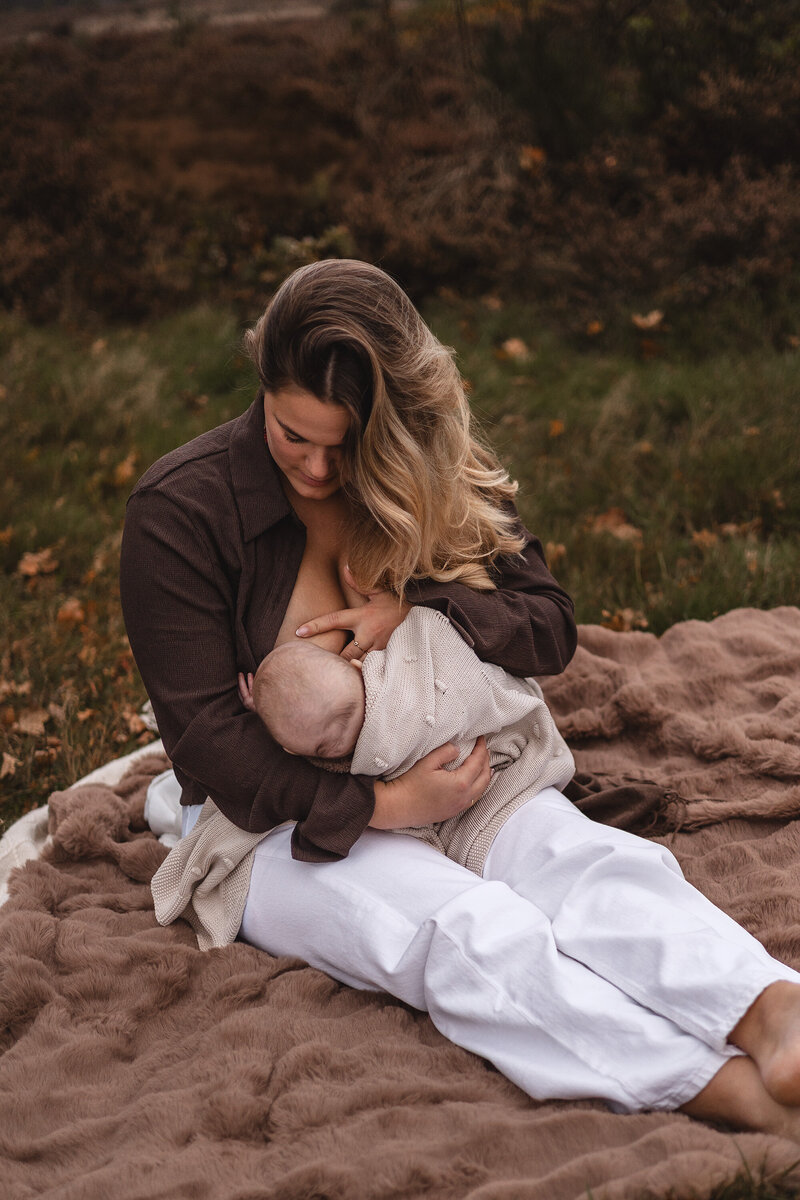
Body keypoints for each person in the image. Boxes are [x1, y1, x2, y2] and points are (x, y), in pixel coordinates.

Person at [121, 257, 800, 1138]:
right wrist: (385, 804)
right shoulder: (181, 511)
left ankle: (771, 1013)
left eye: (346, 441)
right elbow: (212, 743)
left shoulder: (426, 470)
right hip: (275, 822)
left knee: (592, 869)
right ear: (262, 387)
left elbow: (549, 626)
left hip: (460, 768)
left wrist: (422, 602)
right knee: (467, 932)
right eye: (294, 436)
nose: (321, 468)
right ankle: (718, 1091)